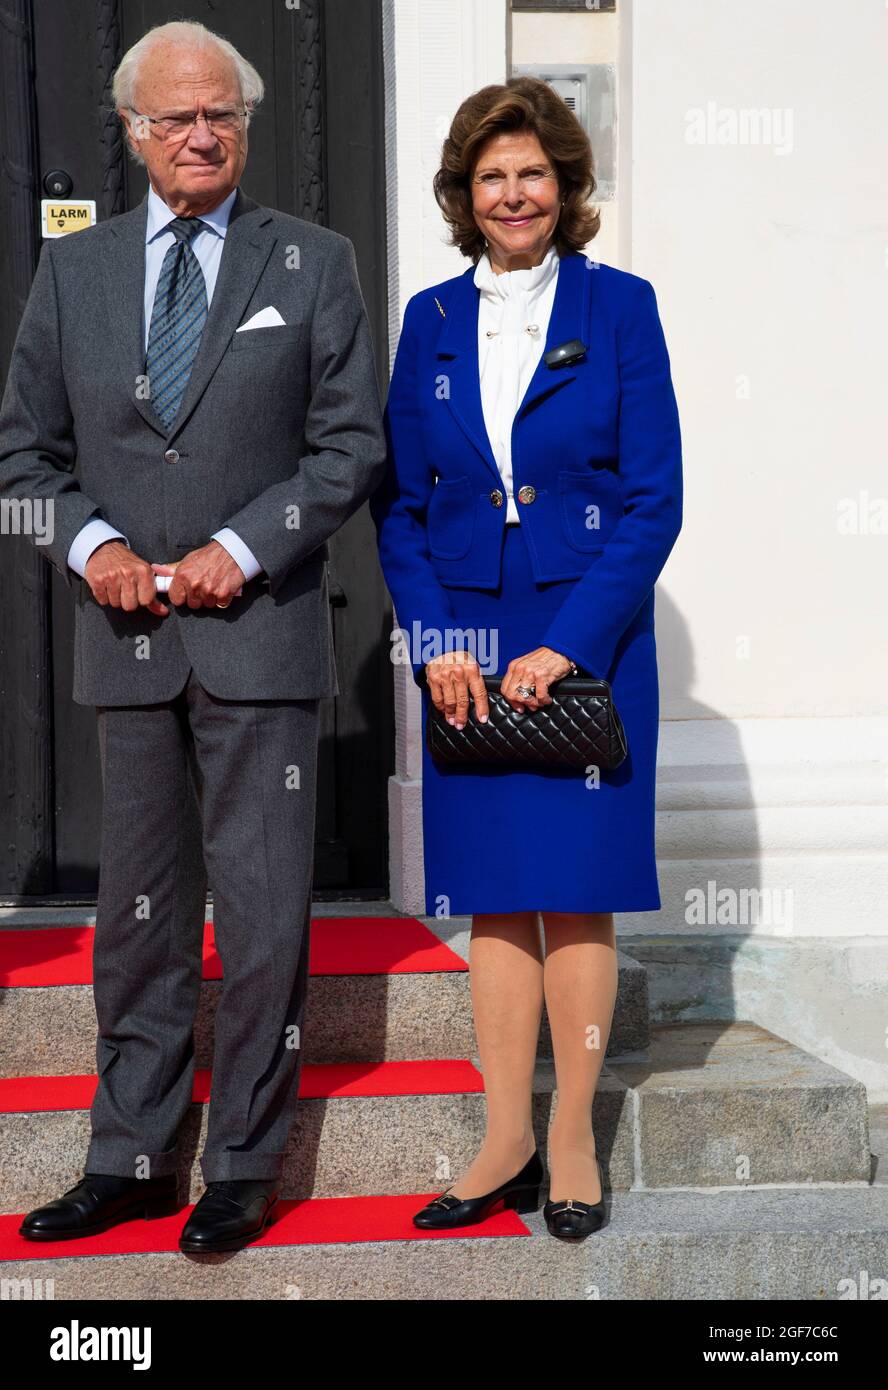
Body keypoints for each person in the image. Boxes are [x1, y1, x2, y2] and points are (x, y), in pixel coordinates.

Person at [0, 20, 386, 1253]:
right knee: (140, 916)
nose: (201, 134)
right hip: (130, 648)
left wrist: (248, 543)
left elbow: (349, 449)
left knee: (266, 915)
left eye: (219, 112)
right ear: (132, 132)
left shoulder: (313, 262)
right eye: (174, 119)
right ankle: (128, 1154)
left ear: (246, 122)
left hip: (261, 639)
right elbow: (19, 461)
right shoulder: (77, 274)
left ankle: (241, 1165)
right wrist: (92, 546)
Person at [371, 76, 682, 1240]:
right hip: (467, 636)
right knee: (495, 900)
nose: (515, 194)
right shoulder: (430, 321)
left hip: (587, 632)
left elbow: (654, 502)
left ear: (566, 186)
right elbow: (399, 502)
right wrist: (439, 642)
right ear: (467, 193)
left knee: (578, 895)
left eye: (534, 174)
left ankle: (569, 1141)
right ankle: (503, 1135)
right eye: (493, 176)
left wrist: (567, 643)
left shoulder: (623, 308)